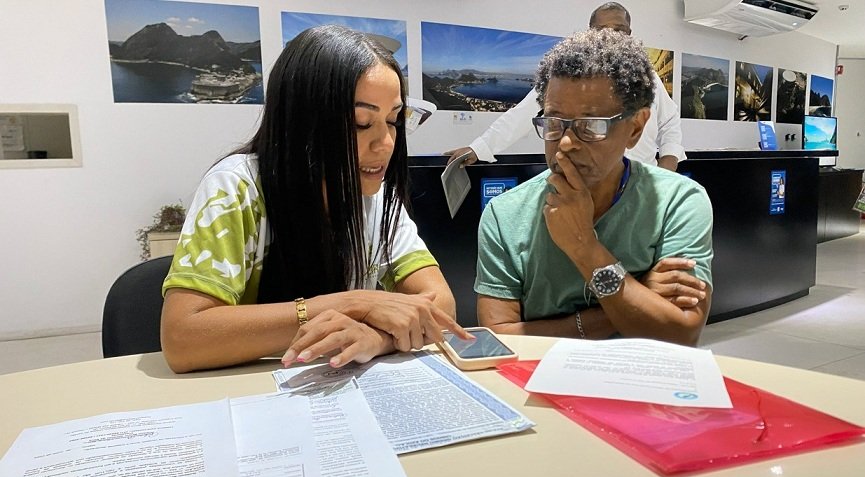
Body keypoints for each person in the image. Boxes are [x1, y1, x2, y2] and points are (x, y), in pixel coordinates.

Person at [161, 25, 469, 373]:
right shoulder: (237, 187)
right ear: (303, 123)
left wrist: (375, 338)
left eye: (394, 120)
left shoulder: (378, 197)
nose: (385, 143)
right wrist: (352, 304)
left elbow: (440, 307)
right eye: (359, 123)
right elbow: (182, 339)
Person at [475, 27, 713, 346]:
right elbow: (498, 338)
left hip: (643, 385)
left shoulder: (677, 202)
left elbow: (681, 333)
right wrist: (635, 293)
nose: (567, 142)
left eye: (591, 125)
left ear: (635, 128)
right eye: (554, 122)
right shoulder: (506, 215)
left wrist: (584, 246)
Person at [445, 2, 684, 172]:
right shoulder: (569, 75)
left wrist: (667, 167)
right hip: (588, 187)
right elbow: (521, 115)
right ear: (590, 33)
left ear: (629, 34)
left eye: (619, 30)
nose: (612, 36)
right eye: (603, 30)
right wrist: (480, 148)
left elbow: (669, 121)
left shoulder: (646, 76)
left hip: (641, 185)